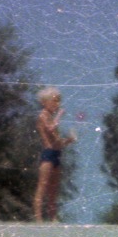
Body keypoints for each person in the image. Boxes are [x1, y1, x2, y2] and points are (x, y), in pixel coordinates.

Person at [33, 87, 76, 222]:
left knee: (54, 189)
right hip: (48, 154)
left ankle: (53, 217)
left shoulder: (50, 118)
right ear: (45, 102)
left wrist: (69, 140)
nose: (57, 105)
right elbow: (50, 129)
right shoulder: (43, 116)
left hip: (56, 154)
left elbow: (58, 142)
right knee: (42, 186)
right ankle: (38, 218)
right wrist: (59, 115)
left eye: (58, 102)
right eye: (54, 101)